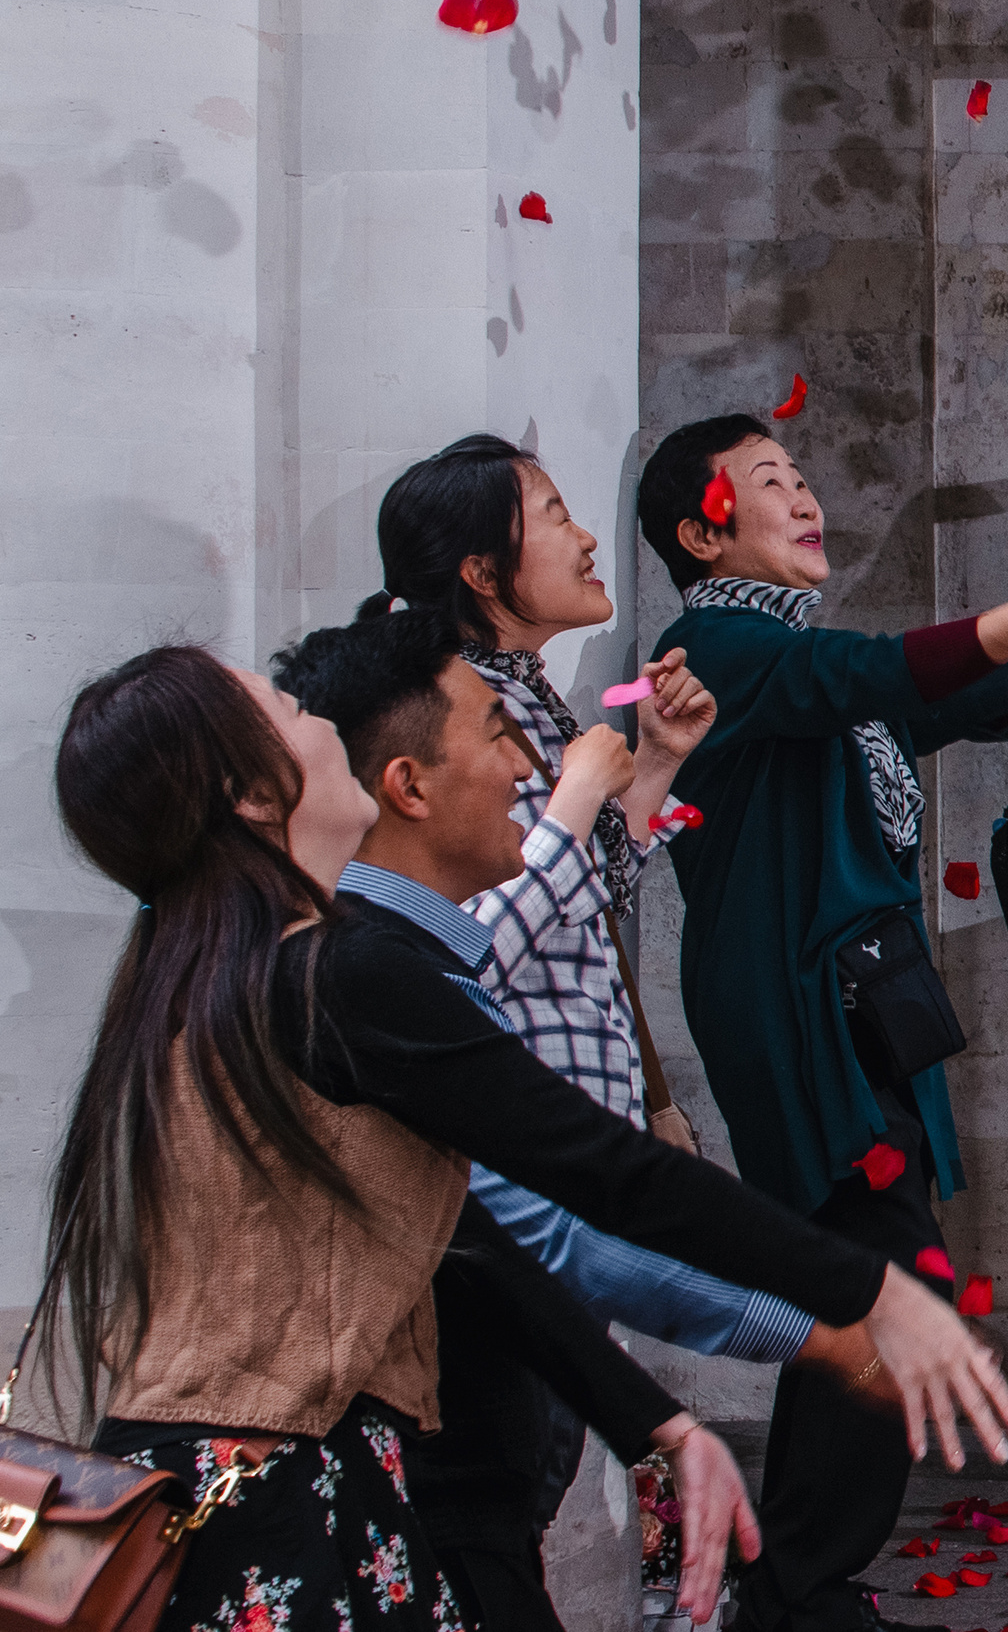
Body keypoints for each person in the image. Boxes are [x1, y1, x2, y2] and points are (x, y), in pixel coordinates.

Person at [45, 644, 1008, 1632]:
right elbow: (604, 1167)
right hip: (271, 1499)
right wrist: (872, 1290)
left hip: (273, 1480)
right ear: (254, 796)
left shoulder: (231, 969)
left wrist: (657, 1421)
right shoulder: (333, 971)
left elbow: (467, 1238)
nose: (320, 724)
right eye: (291, 714)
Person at [635, 413, 1008, 1632]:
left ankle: (798, 1588)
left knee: (852, 1291)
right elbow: (877, 675)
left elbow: (969, 698)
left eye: (802, 475)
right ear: (702, 533)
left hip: (860, 1000)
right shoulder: (717, 645)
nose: (806, 496)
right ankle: (804, 1590)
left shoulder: (788, 654)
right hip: (798, 1008)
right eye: (770, 481)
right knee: (885, 1282)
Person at [268, 607, 896, 1630]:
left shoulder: (381, 953)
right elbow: (565, 1212)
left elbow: (500, 1237)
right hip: (415, 1459)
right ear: (403, 785)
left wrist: (660, 1418)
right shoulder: (364, 967)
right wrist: (836, 1315)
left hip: (451, 1444)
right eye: (498, 735)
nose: (527, 765)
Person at [363, 434, 900, 1574]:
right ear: (481, 569)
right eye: (553, 513)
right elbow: (456, 952)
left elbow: (585, 903)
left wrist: (650, 764)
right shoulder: (443, 712)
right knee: (490, 1499)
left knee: (529, 1477)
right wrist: (577, 803)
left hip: (569, 1142)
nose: (585, 535)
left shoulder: (530, 701)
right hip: (506, 1174)